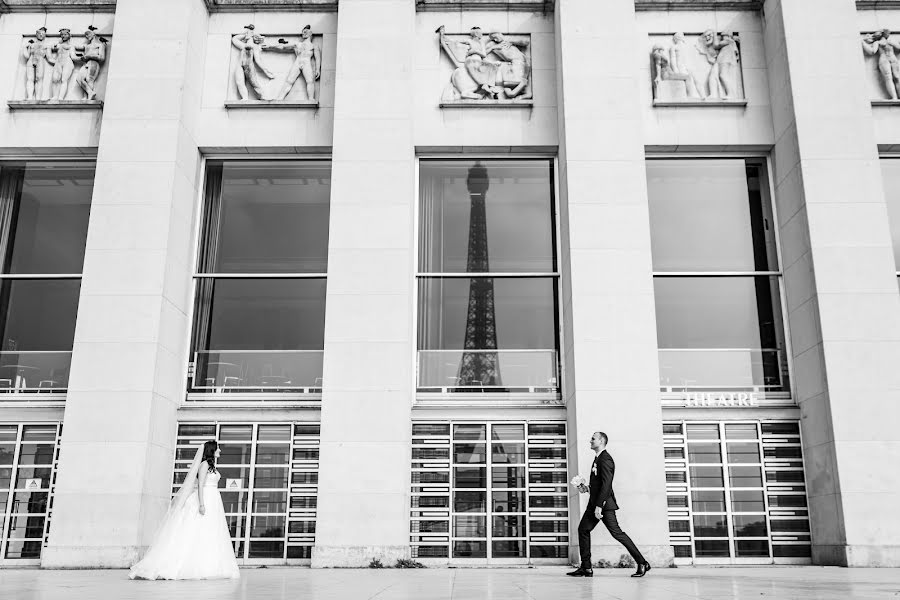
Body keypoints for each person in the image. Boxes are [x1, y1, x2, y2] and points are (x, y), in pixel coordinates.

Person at [129, 440, 240, 580]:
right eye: (218, 449)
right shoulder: (204, 465)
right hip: (205, 498)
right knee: (197, 530)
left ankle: (210, 565)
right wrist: (201, 504)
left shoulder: (212, 466)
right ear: (212, 451)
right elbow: (200, 485)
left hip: (214, 500)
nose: (220, 451)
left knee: (210, 532)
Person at [567, 432, 650, 578]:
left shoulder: (606, 459)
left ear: (601, 441)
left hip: (604, 506)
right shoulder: (597, 458)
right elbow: (599, 485)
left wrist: (599, 506)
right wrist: (586, 489)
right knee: (583, 530)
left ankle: (642, 562)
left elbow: (607, 485)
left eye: (593, 438)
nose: (590, 441)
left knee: (617, 534)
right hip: (594, 503)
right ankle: (586, 567)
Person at [262, 25, 321, 101]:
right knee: (289, 80)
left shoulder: (313, 46)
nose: (304, 34)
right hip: (298, 61)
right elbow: (283, 47)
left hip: (306, 62)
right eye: (303, 32)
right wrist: (270, 46)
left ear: (310, 33)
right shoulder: (297, 44)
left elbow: (317, 58)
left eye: (305, 32)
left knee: (310, 81)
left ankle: (311, 98)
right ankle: (280, 98)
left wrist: (317, 69)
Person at [232, 25, 275, 100]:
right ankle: (244, 97)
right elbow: (234, 39)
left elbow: (258, 60)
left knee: (254, 82)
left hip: (248, 66)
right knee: (239, 82)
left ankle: (263, 96)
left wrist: (266, 71)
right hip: (240, 65)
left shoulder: (255, 47)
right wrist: (245, 35)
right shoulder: (243, 45)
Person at [863, 29, 900, 100]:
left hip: (888, 59)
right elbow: (872, 52)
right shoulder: (883, 42)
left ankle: (895, 97)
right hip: (888, 59)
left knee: (893, 78)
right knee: (893, 78)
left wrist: (863, 42)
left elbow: (872, 51)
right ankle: (894, 97)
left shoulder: (882, 42)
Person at [75, 26, 107, 101]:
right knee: (79, 79)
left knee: (89, 79)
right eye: (86, 35)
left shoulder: (100, 45)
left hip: (94, 63)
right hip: (86, 63)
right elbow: (76, 47)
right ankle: (90, 92)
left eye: (88, 34)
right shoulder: (87, 46)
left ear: (93, 34)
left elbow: (102, 57)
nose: (87, 36)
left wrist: (89, 56)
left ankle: (87, 97)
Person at [23, 27, 54, 101]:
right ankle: (30, 97)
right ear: (36, 34)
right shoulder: (32, 44)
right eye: (39, 33)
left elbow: (49, 58)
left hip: (40, 61)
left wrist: (58, 62)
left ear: (45, 36)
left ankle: (38, 98)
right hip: (31, 60)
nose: (41, 35)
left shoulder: (47, 45)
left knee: (39, 79)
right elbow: (27, 56)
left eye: (43, 34)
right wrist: (25, 47)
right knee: (30, 79)